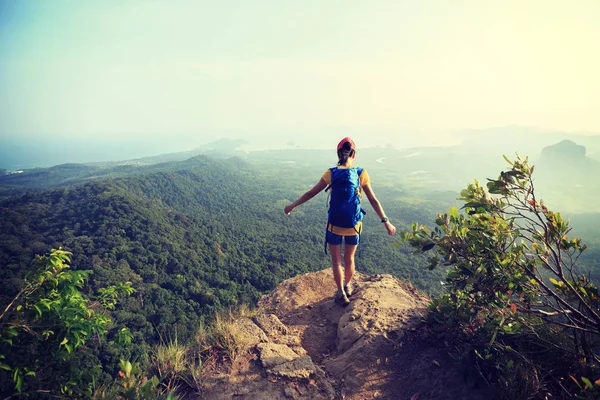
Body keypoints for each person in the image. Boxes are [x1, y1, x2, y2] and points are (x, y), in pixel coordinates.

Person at [284, 137, 396, 306]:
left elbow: (310, 193)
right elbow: (373, 200)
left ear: (338, 154)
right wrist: (386, 221)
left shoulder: (331, 172)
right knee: (350, 258)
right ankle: (348, 285)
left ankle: (341, 293)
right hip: (353, 225)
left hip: (334, 225)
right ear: (354, 154)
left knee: (336, 261)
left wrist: (292, 206)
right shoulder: (361, 173)